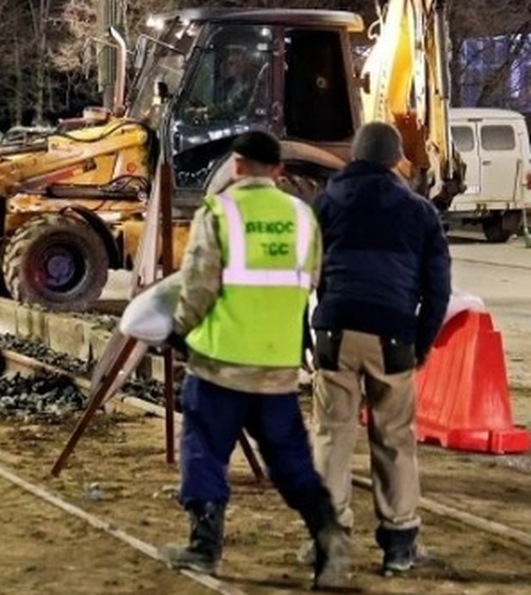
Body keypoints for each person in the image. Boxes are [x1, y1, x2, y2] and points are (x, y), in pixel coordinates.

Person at [163, 131, 349, 587]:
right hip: (278, 370)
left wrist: (179, 330)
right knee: (291, 463)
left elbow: (198, 286)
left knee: (203, 452)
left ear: (238, 166)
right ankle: (327, 533)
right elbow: (310, 280)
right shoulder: (303, 217)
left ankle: (205, 548)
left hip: (219, 364)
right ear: (280, 171)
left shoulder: (220, 213)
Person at [309, 122, 450, 575]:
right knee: (393, 440)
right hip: (392, 335)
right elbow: (437, 290)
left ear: (354, 156)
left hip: (335, 331)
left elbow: (305, 274)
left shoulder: (326, 202)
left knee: (332, 436)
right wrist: (421, 342)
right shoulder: (420, 211)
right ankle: (399, 544)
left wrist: (306, 333)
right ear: (395, 160)